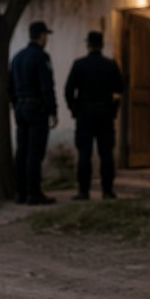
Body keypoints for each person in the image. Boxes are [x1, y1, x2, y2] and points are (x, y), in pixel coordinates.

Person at [64, 30, 124, 200]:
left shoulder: (79, 65)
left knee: (84, 154)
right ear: (102, 45)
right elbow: (120, 90)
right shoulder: (111, 65)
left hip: (85, 113)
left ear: (88, 45)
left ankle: (84, 191)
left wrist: (74, 109)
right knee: (106, 154)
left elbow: (68, 91)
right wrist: (113, 110)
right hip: (105, 112)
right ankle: (107, 190)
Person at [8, 20, 58, 205]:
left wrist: (16, 103)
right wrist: (53, 110)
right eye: (46, 35)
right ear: (42, 36)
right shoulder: (41, 57)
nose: (47, 39)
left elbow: (9, 86)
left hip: (21, 107)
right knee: (35, 152)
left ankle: (20, 193)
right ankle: (34, 193)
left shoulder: (17, 57)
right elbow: (47, 86)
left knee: (22, 150)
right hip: (36, 108)